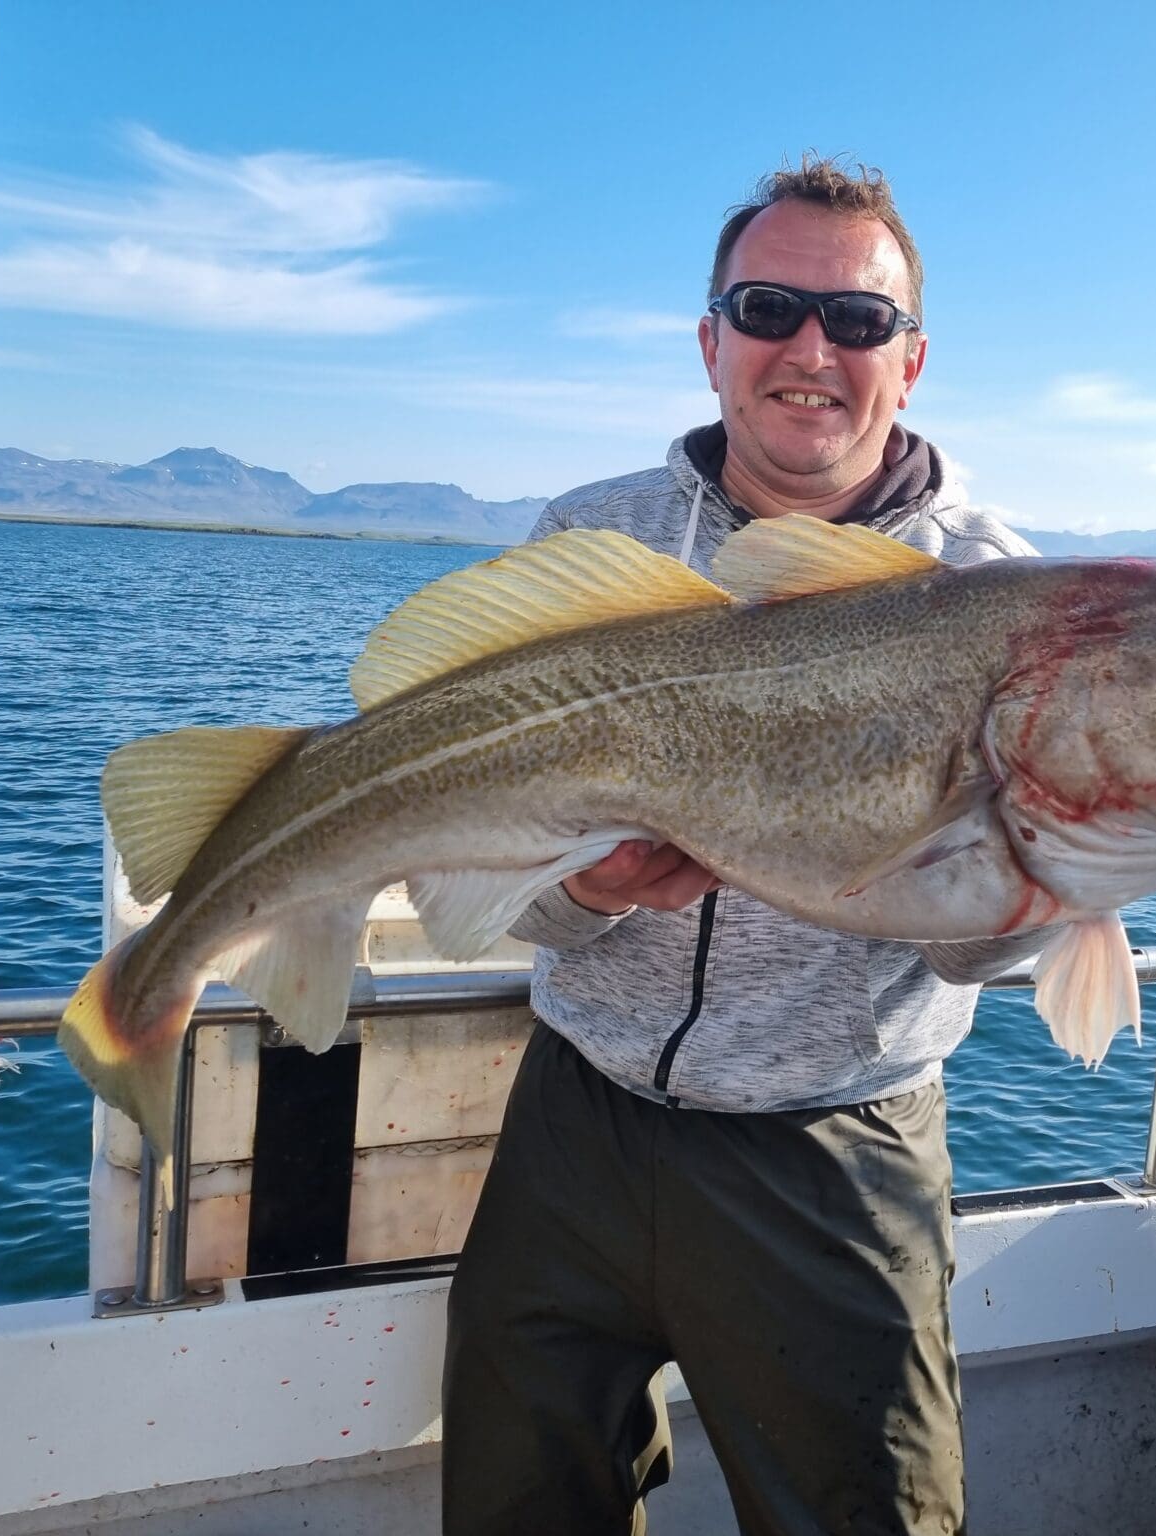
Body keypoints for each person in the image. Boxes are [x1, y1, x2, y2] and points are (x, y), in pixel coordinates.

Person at [441, 157, 1056, 1536]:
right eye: (770, 308)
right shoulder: (591, 539)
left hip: (835, 1150)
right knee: (514, 1506)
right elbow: (498, 870)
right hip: (575, 1121)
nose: (810, 350)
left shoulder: (1001, 594)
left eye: (858, 320)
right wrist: (584, 893)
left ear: (911, 360)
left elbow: (980, 951)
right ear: (711, 340)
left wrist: (1071, 850)